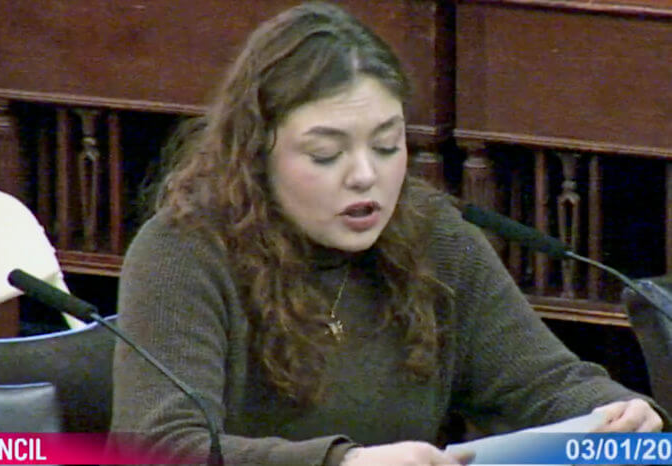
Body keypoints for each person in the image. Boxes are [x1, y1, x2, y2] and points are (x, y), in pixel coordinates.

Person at [110, 2, 668, 465]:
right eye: (326, 153)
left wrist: (619, 412)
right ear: (256, 155)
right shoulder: (184, 252)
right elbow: (160, 448)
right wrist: (343, 463)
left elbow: (543, 381)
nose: (365, 175)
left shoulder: (432, 237)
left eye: (386, 145)